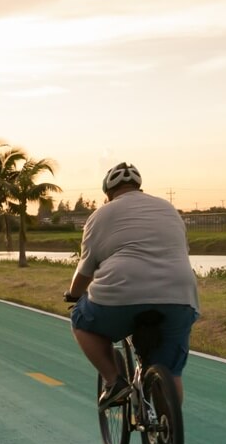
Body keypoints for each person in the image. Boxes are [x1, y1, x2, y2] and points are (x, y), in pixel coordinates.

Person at [64, 162, 200, 408]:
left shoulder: (101, 215)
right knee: (170, 372)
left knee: (81, 322)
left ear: (108, 192)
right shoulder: (169, 209)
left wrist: (74, 295)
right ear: (139, 187)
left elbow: (85, 269)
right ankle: (168, 431)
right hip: (179, 296)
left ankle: (113, 380)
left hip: (119, 296)